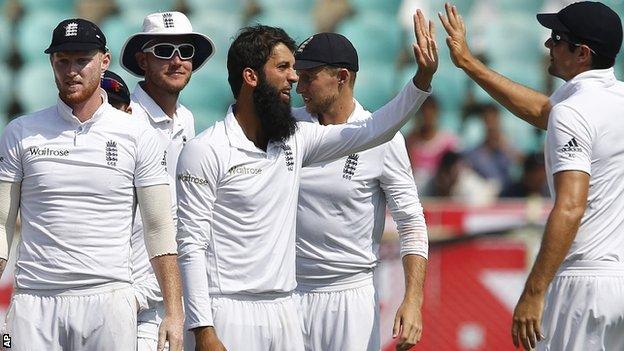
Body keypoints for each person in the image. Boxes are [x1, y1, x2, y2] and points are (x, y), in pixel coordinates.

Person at [176, 11, 437, 351]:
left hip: (342, 296)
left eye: (303, 72)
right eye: (285, 69)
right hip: (265, 299)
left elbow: (375, 132)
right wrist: (202, 327)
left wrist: (421, 82)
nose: (296, 79)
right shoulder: (267, 135)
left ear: (342, 77)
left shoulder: (297, 137)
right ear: (252, 76)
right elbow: (191, 244)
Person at [439, 2, 624, 350]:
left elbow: (570, 208)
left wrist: (533, 291)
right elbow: (543, 110)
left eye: (557, 38)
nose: (547, 45)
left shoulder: (572, 113)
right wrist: (468, 63)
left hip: (582, 286)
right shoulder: (611, 102)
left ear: (582, 53)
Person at [0, 19, 184, 350]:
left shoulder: (137, 134)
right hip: (34, 301)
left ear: (104, 61)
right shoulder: (20, 131)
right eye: (62, 61)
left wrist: (174, 313)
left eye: (82, 60)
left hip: (108, 299)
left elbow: (159, 229)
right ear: (52, 64)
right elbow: (1, 225)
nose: (72, 71)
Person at [292, 32, 428, 351]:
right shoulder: (286, 129)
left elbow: (411, 222)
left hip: (350, 299)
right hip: (287, 292)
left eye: (309, 77)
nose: (299, 87)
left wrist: (413, 300)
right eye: (298, 77)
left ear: (342, 77)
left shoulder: (385, 138)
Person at [119, 11, 214, 351]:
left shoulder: (187, 119)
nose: (177, 61)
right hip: (129, 298)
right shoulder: (121, 120)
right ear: (142, 60)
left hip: (171, 298)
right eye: (163, 50)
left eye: (185, 51)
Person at [404, 94, 458, 188]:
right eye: (424, 111)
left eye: (431, 110)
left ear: (437, 113)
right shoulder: (410, 141)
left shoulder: (448, 141)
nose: (427, 115)